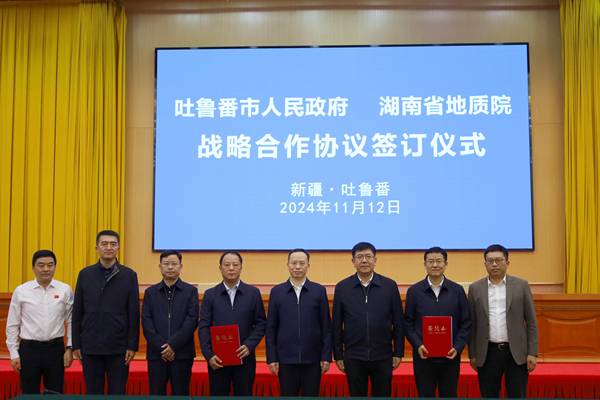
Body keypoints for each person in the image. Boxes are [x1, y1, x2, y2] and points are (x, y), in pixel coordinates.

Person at [72, 230, 140, 395]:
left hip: (118, 348)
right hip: (90, 346)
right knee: (93, 392)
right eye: (104, 244)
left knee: (117, 392)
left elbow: (133, 313)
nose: (108, 247)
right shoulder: (85, 274)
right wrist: (76, 344)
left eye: (113, 244)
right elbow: (77, 312)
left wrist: (132, 346)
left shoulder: (129, 275)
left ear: (118, 249)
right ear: (97, 248)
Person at [332, 242, 404, 397]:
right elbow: (337, 324)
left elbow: (398, 322)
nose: (364, 260)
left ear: (375, 260)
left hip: (383, 355)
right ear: (353, 261)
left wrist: (398, 352)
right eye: (359, 257)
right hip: (353, 356)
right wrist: (338, 354)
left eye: (368, 256)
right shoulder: (342, 287)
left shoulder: (389, 286)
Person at [468, 244, 538, 398]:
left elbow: (531, 321)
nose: (494, 264)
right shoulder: (475, 288)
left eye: (499, 260)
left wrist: (532, 352)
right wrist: (472, 354)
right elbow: (472, 324)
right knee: (489, 395)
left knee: (517, 394)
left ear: (507, 263)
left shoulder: (521, 285)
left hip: (516, 352)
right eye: (490, 260)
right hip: (487, 352)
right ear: (485, 264)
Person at [404, 247, 471, 398]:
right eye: (431, 261)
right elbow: (408, 322)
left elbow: (466, 322)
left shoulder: (457, 290)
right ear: (425, 264)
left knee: (449, 395)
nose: (435, 265)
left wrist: (457, 347)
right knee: (425, 395)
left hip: (450, 357)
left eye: (439, 261)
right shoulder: (414, 291)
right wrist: (418, 345)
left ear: (446, 264)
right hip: (423, 357)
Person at [198, 251, 267, 396]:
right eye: (227, 265)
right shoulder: (210, 295)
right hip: (217, 359)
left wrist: (249, 345)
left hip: (245, 358)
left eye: (235, 265)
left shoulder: (253, 293)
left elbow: (261, 324)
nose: (231, 268)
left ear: (241, 268)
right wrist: (208, 355)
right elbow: (204, 327)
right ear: (220, 268)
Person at [265, 249, 332, 396]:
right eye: (294, 263)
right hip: (286, 359)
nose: (297, 267)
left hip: (313, 359)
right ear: (288, 265)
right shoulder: (277, 292)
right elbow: (271, 328)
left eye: (302, 263)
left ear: (308, 266)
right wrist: (272, 358)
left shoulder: (319, 291)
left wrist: (326, 356)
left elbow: (326, 326)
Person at [6, 250, 74, 394]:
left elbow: (71, 321)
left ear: (55, 267)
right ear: (33, 268)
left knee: (55, 394)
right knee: (29, 394)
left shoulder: (64, 290)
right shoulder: (21, 291)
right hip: (29, 350)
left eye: (50, 265)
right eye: (41, 265)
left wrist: (70, 348)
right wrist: (14, 353)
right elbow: (12, 325)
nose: (46, 269)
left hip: (55, 350)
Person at [142, 250, 199, 396]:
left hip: (182, 355)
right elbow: (146, 322)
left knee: (181, 394)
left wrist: (173, 345)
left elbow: (192, 321)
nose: (170, 267)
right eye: (166, 264)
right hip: (157, 355)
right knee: (156, 394)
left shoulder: (191, 291)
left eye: (174, 264)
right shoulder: (150, 292)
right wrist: (162, 348)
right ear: (160, 267)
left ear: (181, 267)